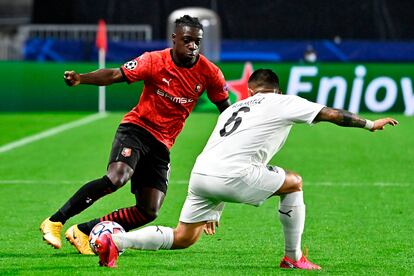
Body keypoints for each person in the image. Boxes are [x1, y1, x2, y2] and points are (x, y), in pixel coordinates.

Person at [94, 69, 398, 269]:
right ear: (276, 91)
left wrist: (215, 207)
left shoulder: (235, 108)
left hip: (201, 175)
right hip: (232, 175)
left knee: (183, 237)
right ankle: (293, 258)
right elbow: (331, 114)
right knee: (294, 183)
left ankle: (116, 241)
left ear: (251, 91)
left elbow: (227, 150)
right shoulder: (283, 102)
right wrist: (370, 124)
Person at [40, 15, 231, 255]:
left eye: (197, 41)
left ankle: (85, 231)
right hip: (137, 129)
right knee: (117, 177)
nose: (192, 45)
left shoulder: (210, 73)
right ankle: (55, 221)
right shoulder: (154, 61)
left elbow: (226, 110)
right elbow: (115, 75)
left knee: (148, 210)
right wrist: (82, 79)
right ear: (174, 39)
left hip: (163, 144)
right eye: (186, 40)